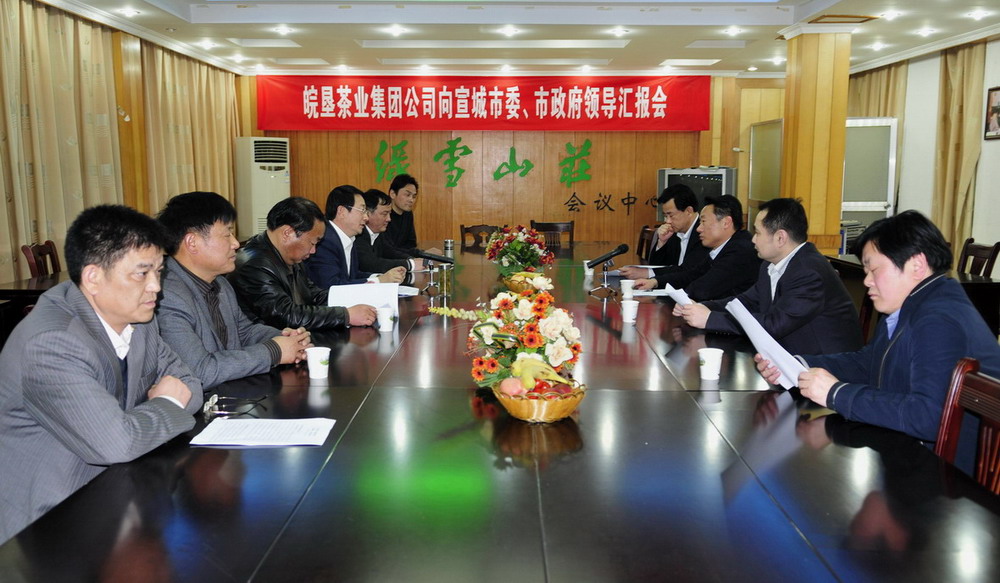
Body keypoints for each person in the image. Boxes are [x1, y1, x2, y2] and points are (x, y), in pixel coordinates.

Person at [0, 205, 202, 543]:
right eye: (141, 274)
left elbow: (190, 385)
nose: (156, 287)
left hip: (119, 493)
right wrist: (166, 403)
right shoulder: (52, 343)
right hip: (50, 526)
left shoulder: (139, 318)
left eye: (159, 271)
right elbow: (117, 443)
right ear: (93, 277)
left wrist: (160, 407)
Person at [756, 210, 1000, 447]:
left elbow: (928, 416)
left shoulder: (938, 319)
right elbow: (870, 362)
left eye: (873, 270)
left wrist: (837, 394)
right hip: (906, 446)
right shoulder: (910, 305)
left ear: (917, 265)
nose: (867, 281)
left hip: (948, 466)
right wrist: (796, 365)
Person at [157, 191, 313, 389]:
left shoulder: (220, 283)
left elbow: (243, 331)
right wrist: (274, 351)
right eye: (227, 234)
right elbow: (200, 371)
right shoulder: (166, 296)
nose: (236, 243)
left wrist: (287, 338)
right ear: (192, 242)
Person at [676, 198, 862, 354]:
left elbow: (774, 325)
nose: (753, 239)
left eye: (757, 233)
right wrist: (701, 307)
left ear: (780, 238)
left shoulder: (809, 272)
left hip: (823, 366)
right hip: (787, 356)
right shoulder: (770, 264)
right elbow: (746, 302)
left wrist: (710, 319)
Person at [228, 197, 377, 330]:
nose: (313, 251)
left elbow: (313, 294)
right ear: (288, 233)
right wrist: (346, 315)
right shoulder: (254, 265)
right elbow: (286, 315)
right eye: (312, 243)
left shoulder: (289, 253)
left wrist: (358, 296)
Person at [634, 194, 760, 301]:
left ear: (726, 222)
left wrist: (668, 296)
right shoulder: (724, 246)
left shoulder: (741, 250)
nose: (699, 229)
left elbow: (702, 290)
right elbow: (691, 274)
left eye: (703, 222)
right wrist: (655, 282)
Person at [305, 185, 406, 288]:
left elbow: (352, 276)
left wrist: (381, 277)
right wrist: (379, 281)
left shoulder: (348, 238)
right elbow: (332, 286)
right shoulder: (325, 241)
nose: (366, 218)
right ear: (342, 211)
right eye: (362, 210)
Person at [619, 184, 708, 280]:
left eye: (671, 215)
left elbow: (688, 270)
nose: (667, 221)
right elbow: (656, 266)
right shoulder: (673, 231)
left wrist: (647, 273)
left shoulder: (705, 233)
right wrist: (662, 242)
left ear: (688, 211)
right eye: (665, 216)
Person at [356, 189, 426, 274]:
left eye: (389, 213)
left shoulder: (378, 233)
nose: (389, 219)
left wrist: (411, 259)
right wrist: (410, 264)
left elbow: (390, 252)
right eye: (384, 214)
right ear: (368, 213)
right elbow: (370, 264)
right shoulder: (358, 234)